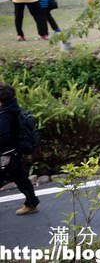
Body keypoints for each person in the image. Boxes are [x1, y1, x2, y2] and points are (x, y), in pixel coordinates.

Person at [0, 84, 40, 216]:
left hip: (6, 154)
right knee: (20, 178)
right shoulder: (13, 108)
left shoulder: (4, 115)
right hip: (14, 152)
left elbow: (3, 136)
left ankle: (32, 203)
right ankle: (32, 203)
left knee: (19, 178)